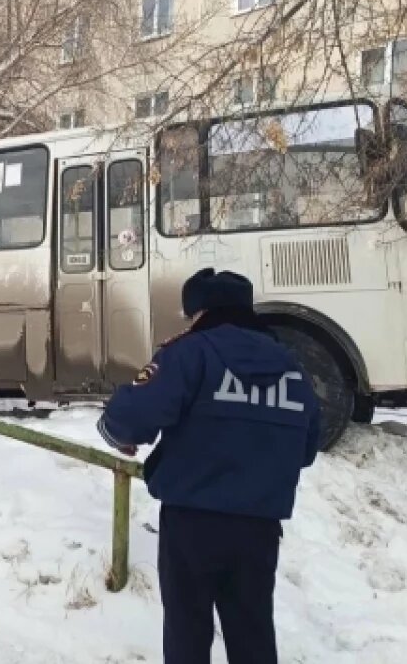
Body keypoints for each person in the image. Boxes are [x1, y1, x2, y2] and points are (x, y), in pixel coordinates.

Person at [98, 268, 320, 664]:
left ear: (200, 313)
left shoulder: (189, 353)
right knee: (252, 632)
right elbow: (306, 447)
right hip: (259, 526)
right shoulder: (291, 367)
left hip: (192, 523)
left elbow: (130, 417)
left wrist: (116, 430)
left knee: (188, 631)